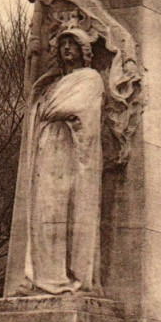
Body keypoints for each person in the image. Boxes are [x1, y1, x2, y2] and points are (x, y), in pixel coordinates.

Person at [22, 27, 105, 295]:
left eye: (73, 43)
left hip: (70, 149)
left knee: (63, 210)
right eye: (63, 43)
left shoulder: (90, 78)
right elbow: (37, 105)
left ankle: (64, 276)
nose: (67, 48)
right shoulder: (54, 83)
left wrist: (49, 110)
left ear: (84, 50)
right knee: (44, 210)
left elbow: (73, 108)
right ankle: (43, 276)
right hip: (46, 146)